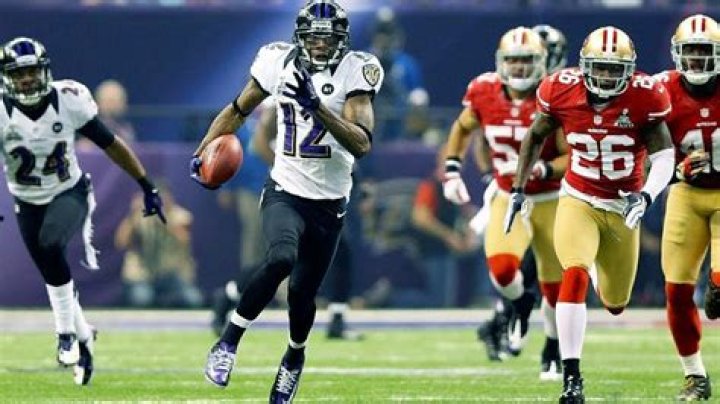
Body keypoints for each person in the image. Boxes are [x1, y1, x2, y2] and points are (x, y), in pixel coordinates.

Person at [191, 1, 383, 401]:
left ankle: (294, 358)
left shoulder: (356, 71)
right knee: (280, 258)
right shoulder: (277, 62)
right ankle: (227, 342)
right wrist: (204, 148)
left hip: (330, 202)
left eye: (327, 39)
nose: (319, 45)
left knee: (301, 296)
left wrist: (318, 109)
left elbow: (362, 143)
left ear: (342, 40)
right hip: (285, 190)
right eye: (313, 37)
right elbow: (238, 109)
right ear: (300, 36)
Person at [504, 27, 675, 403]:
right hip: (578, 198)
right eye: (601, 67)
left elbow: (664, 155)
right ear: (584, 66)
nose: (608, 76)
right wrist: (517, 187)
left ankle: (599, 270)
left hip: (623, 206)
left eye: (615, 69)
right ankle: (572, 376)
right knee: (574, 274)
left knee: (615, 303)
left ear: (629, 70)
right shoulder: (560, 89)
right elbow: (535, 135)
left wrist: (647, 195)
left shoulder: (646, 95)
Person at [0, 37, 165, 386]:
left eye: (32, 72)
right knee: (51, 270)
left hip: (69, 192)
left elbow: (111, 144)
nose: (26, 79)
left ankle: (65, 334)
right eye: (18, 74)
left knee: (50, 246)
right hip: (26, 200)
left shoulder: (68, 99)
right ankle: (84, 336)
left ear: (44, 71)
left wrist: (146, 184)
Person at [443, 27, 568, 380]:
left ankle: (553, 348)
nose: (519, 67)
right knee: (501, 270)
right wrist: (452, 170)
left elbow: (571, 155)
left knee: (555, 288)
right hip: (505, 195)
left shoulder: (553, 96)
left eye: (527, 60)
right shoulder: (484, 90)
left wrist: (541, 168)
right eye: (513, 60)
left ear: (542, 62)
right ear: (501, 61)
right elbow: (464, 127)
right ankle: (520, 302)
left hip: (551, 197)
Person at [653, 14, 719, 401]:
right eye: (690, 50)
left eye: (704, 50)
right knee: (676, 291)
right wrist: (674, 168)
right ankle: (695, 375)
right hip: (686, 194)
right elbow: (644, 148)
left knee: (719, 286)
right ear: (678, 53)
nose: (696, 58)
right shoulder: (662, 90)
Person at [115, 185, 201, 308]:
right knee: (142, 300)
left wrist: (164, 217)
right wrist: (133, 214)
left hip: (171, 274)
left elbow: (184, 240)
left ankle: (169, 302)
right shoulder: (138, 215)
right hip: (142, 275)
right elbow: (121, 243)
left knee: (193, 299)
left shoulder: (180, 215)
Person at [367, 6, 424, 141]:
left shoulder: (407, 63)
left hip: (400, 129)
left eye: (388, 32)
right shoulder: (362, 60)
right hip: (370, 128)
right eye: (381, 32)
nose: (384, 38)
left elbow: (418, 96)